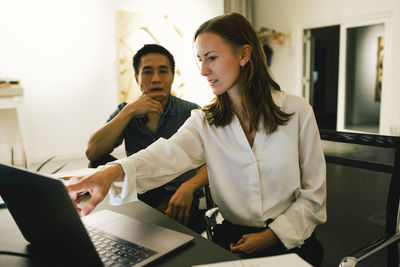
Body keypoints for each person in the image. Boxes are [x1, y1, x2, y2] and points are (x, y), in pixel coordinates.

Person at [67, 13, 326, 266]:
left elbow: (314, 197)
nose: (203, 70)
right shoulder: (205, 121)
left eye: (211, 58)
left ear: (244, 55)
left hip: (293, 241)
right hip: (234, 242)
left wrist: (271, 235)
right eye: (200, 59)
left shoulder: (298, 111)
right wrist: (109, 173)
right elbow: (165, 155)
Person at [85, 44, 208, 233]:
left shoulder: (190, 111)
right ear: (137, 78)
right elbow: (93, 152)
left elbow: (213, 160)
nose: (156, 79)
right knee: (98, 161)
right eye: (148, 72)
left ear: (173, 76)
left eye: (163, 72)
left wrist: (189, 186)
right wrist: (129, 111)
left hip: (177, 190)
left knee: (155, 229)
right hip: (139, 188)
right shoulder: (126, 111)